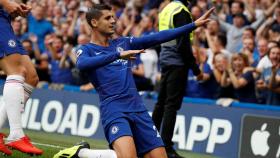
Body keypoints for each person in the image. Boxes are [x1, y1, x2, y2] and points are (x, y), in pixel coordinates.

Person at [54, 4, 214, 158]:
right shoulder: (86, 49)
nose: (113, 21)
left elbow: (157, 37)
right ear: (94, 22)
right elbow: (82, 64)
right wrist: (117, 55)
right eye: (108, 18)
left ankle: (85, 153)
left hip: (138, 109)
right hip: (114, 109)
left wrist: (192, 25)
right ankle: (82, 153)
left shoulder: (123, 43)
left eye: (113, 17)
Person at [152, 0, 203, 157]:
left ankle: (148, 140)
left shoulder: (167, 9)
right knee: (171, 106)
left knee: (161, 103)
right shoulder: (181, 11)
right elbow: (183, 44)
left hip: (165, 59)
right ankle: (166, 147)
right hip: (177, 62)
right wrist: (196, 69)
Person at [0, 0, 43, 156]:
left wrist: (14, 7)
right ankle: (16, 135)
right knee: (17, 71)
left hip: (4, 20)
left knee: (31, 78)